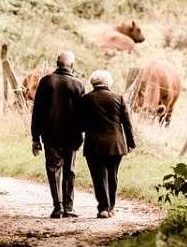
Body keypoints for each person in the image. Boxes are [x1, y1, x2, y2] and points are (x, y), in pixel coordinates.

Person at [31, 51, 85, 218]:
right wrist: (82, 133)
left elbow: (37, 112)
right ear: (72, 66)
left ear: (56, 63)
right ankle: (69, 208)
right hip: (72, 136)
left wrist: (35, 138)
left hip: (50, 135)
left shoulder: (46, 82)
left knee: (53, 169)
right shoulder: (78, 85)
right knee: (70, 170)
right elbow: (83, 114)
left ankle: (58, 206)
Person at [80, 70, 136, 218]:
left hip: (94, 144)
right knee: (113, 175)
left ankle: (103, 208)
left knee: (98, 177)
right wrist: (130, 142)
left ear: (93, 82)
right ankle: (110, 207)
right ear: (108, 82)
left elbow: (80, 123)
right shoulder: (118, 98)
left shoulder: (86, 99)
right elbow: (127, 123)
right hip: (115, 144)